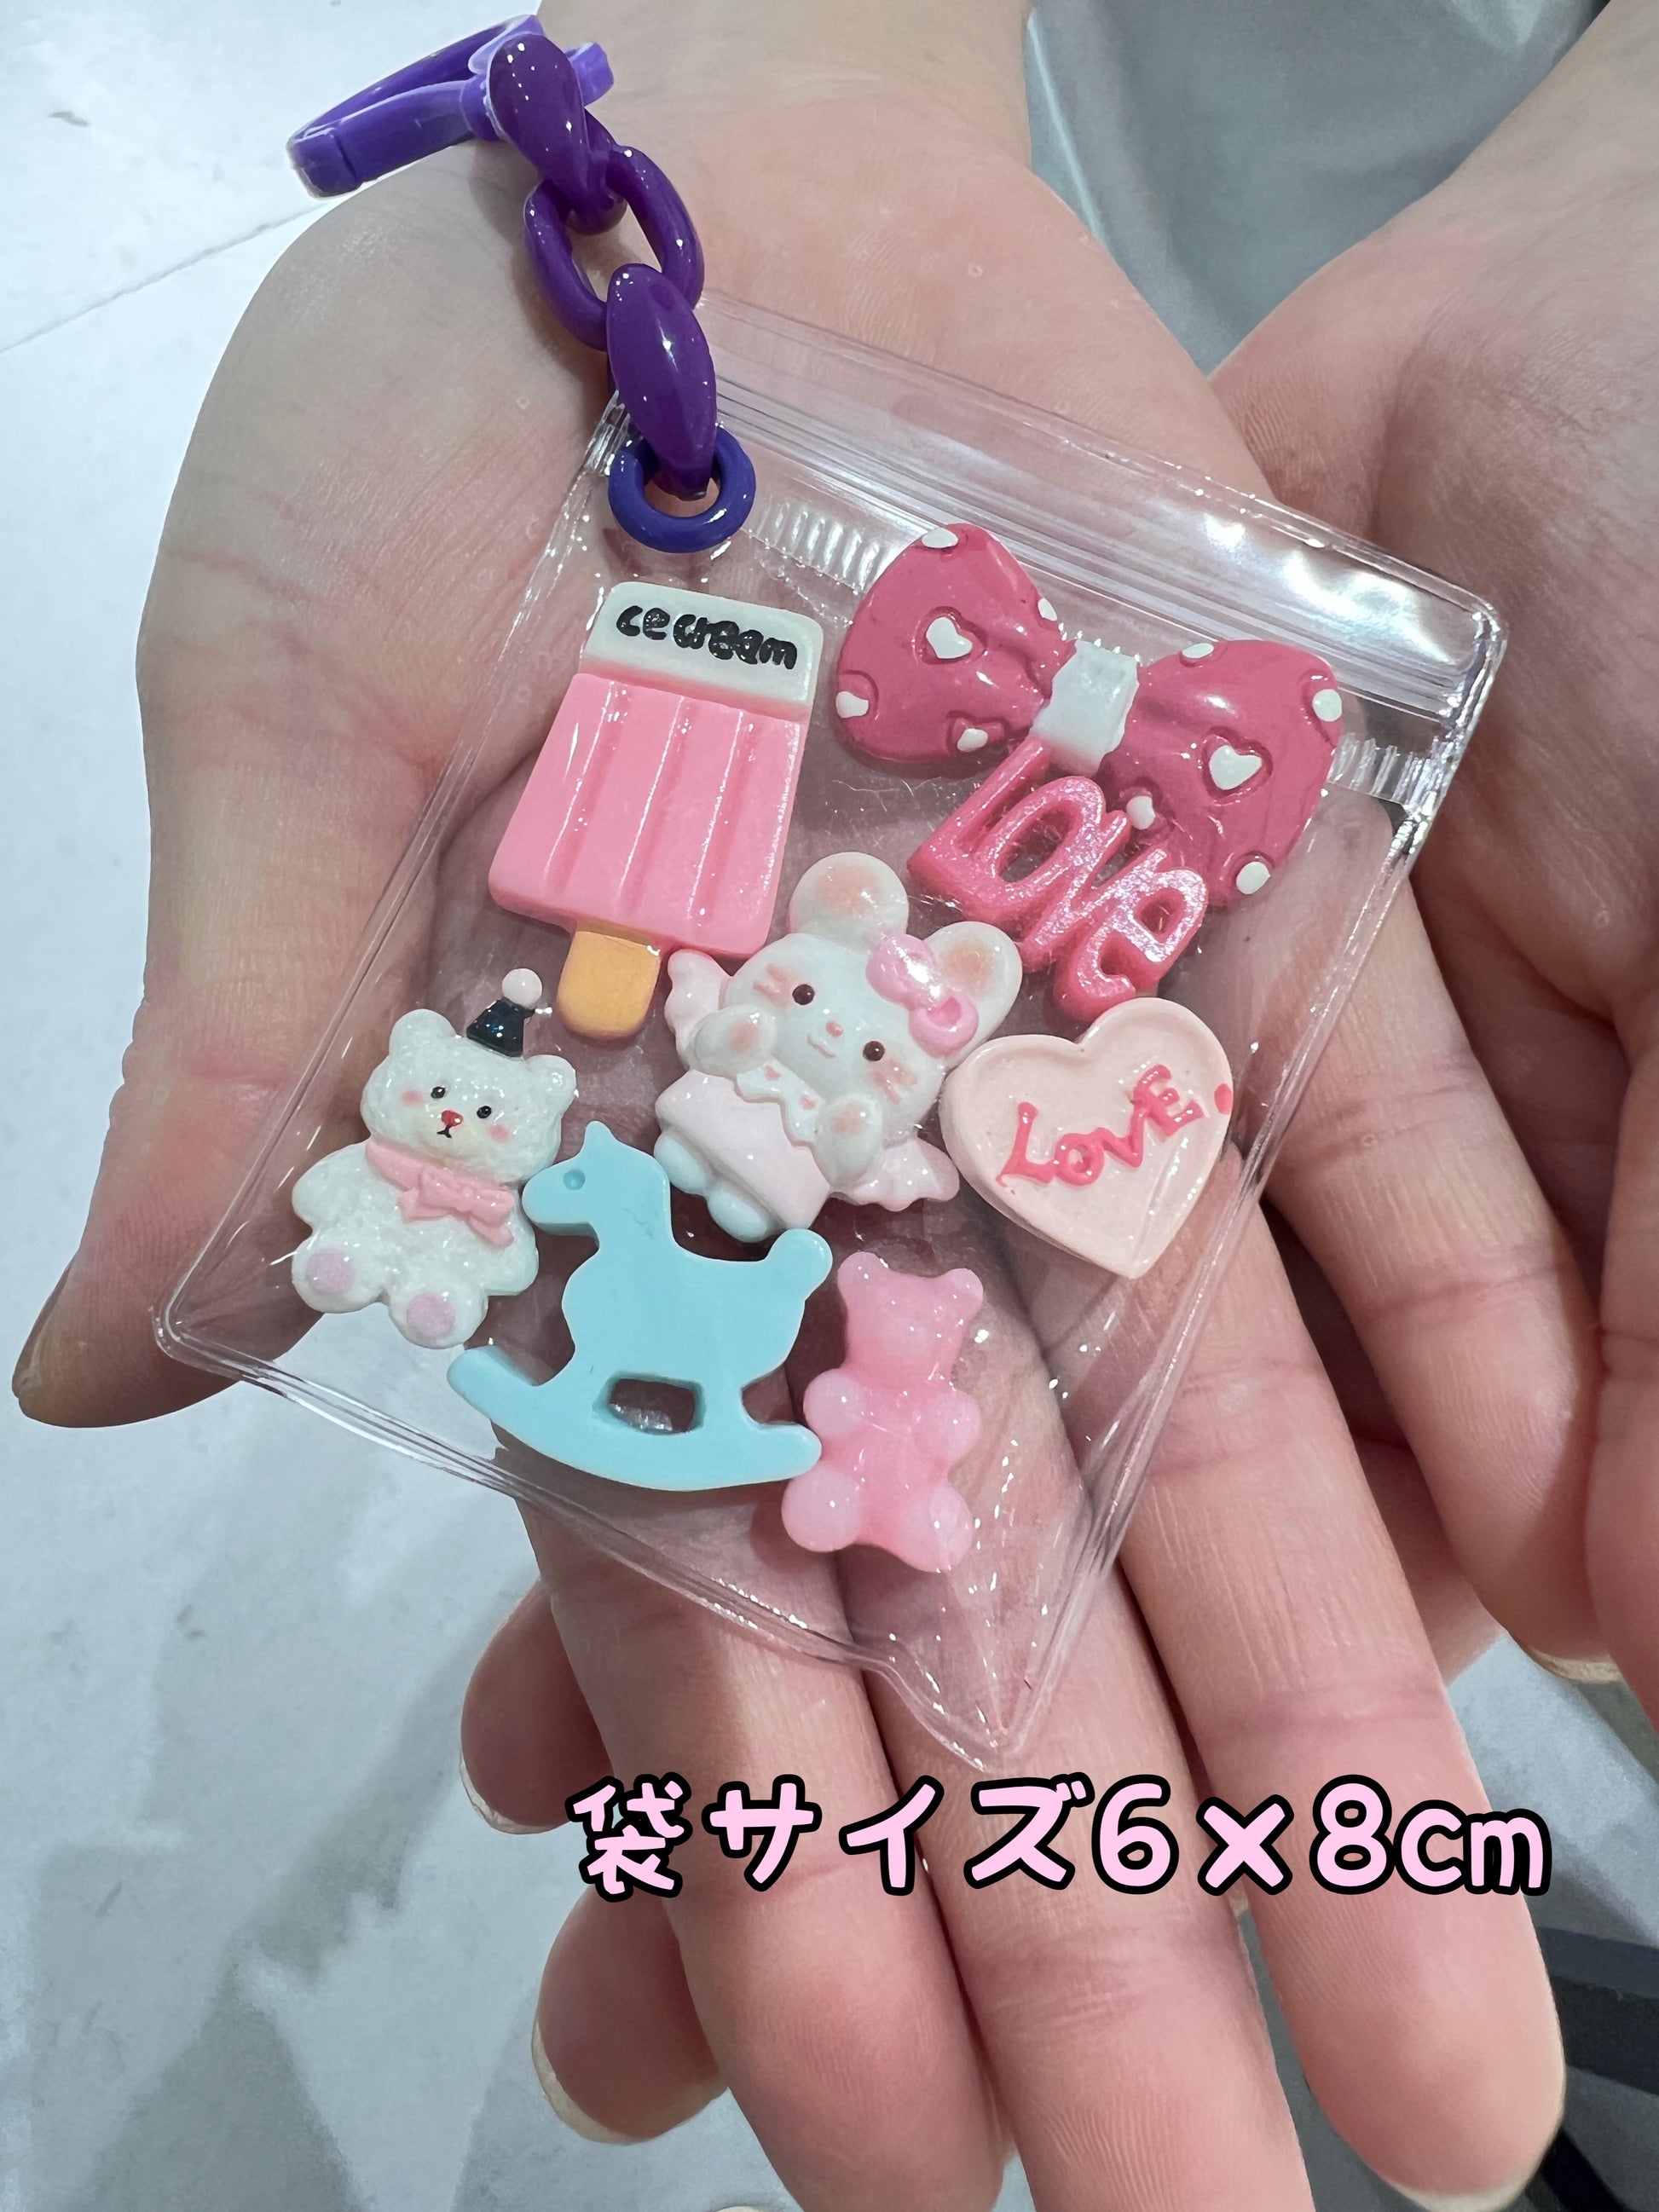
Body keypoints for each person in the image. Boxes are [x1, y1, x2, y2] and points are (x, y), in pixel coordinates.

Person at [14, 2, 1659, 2204]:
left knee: (1454, 1492)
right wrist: (794, 61)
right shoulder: (763, 934)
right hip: (1018, 247)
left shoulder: (952, 1005)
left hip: (1353, 424)